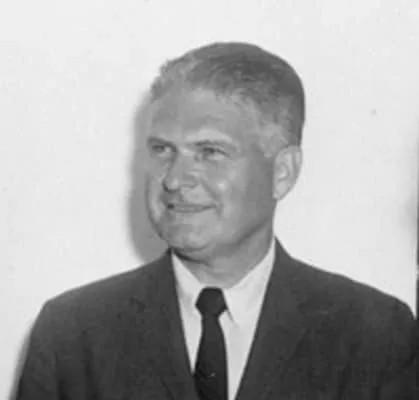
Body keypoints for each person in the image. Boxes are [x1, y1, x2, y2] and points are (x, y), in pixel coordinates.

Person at [16, 42, 417, 400]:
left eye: (210, 152)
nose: (174, 179)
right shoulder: (72, 335)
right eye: (162, 150)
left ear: (283, 172)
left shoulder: (374, 336)